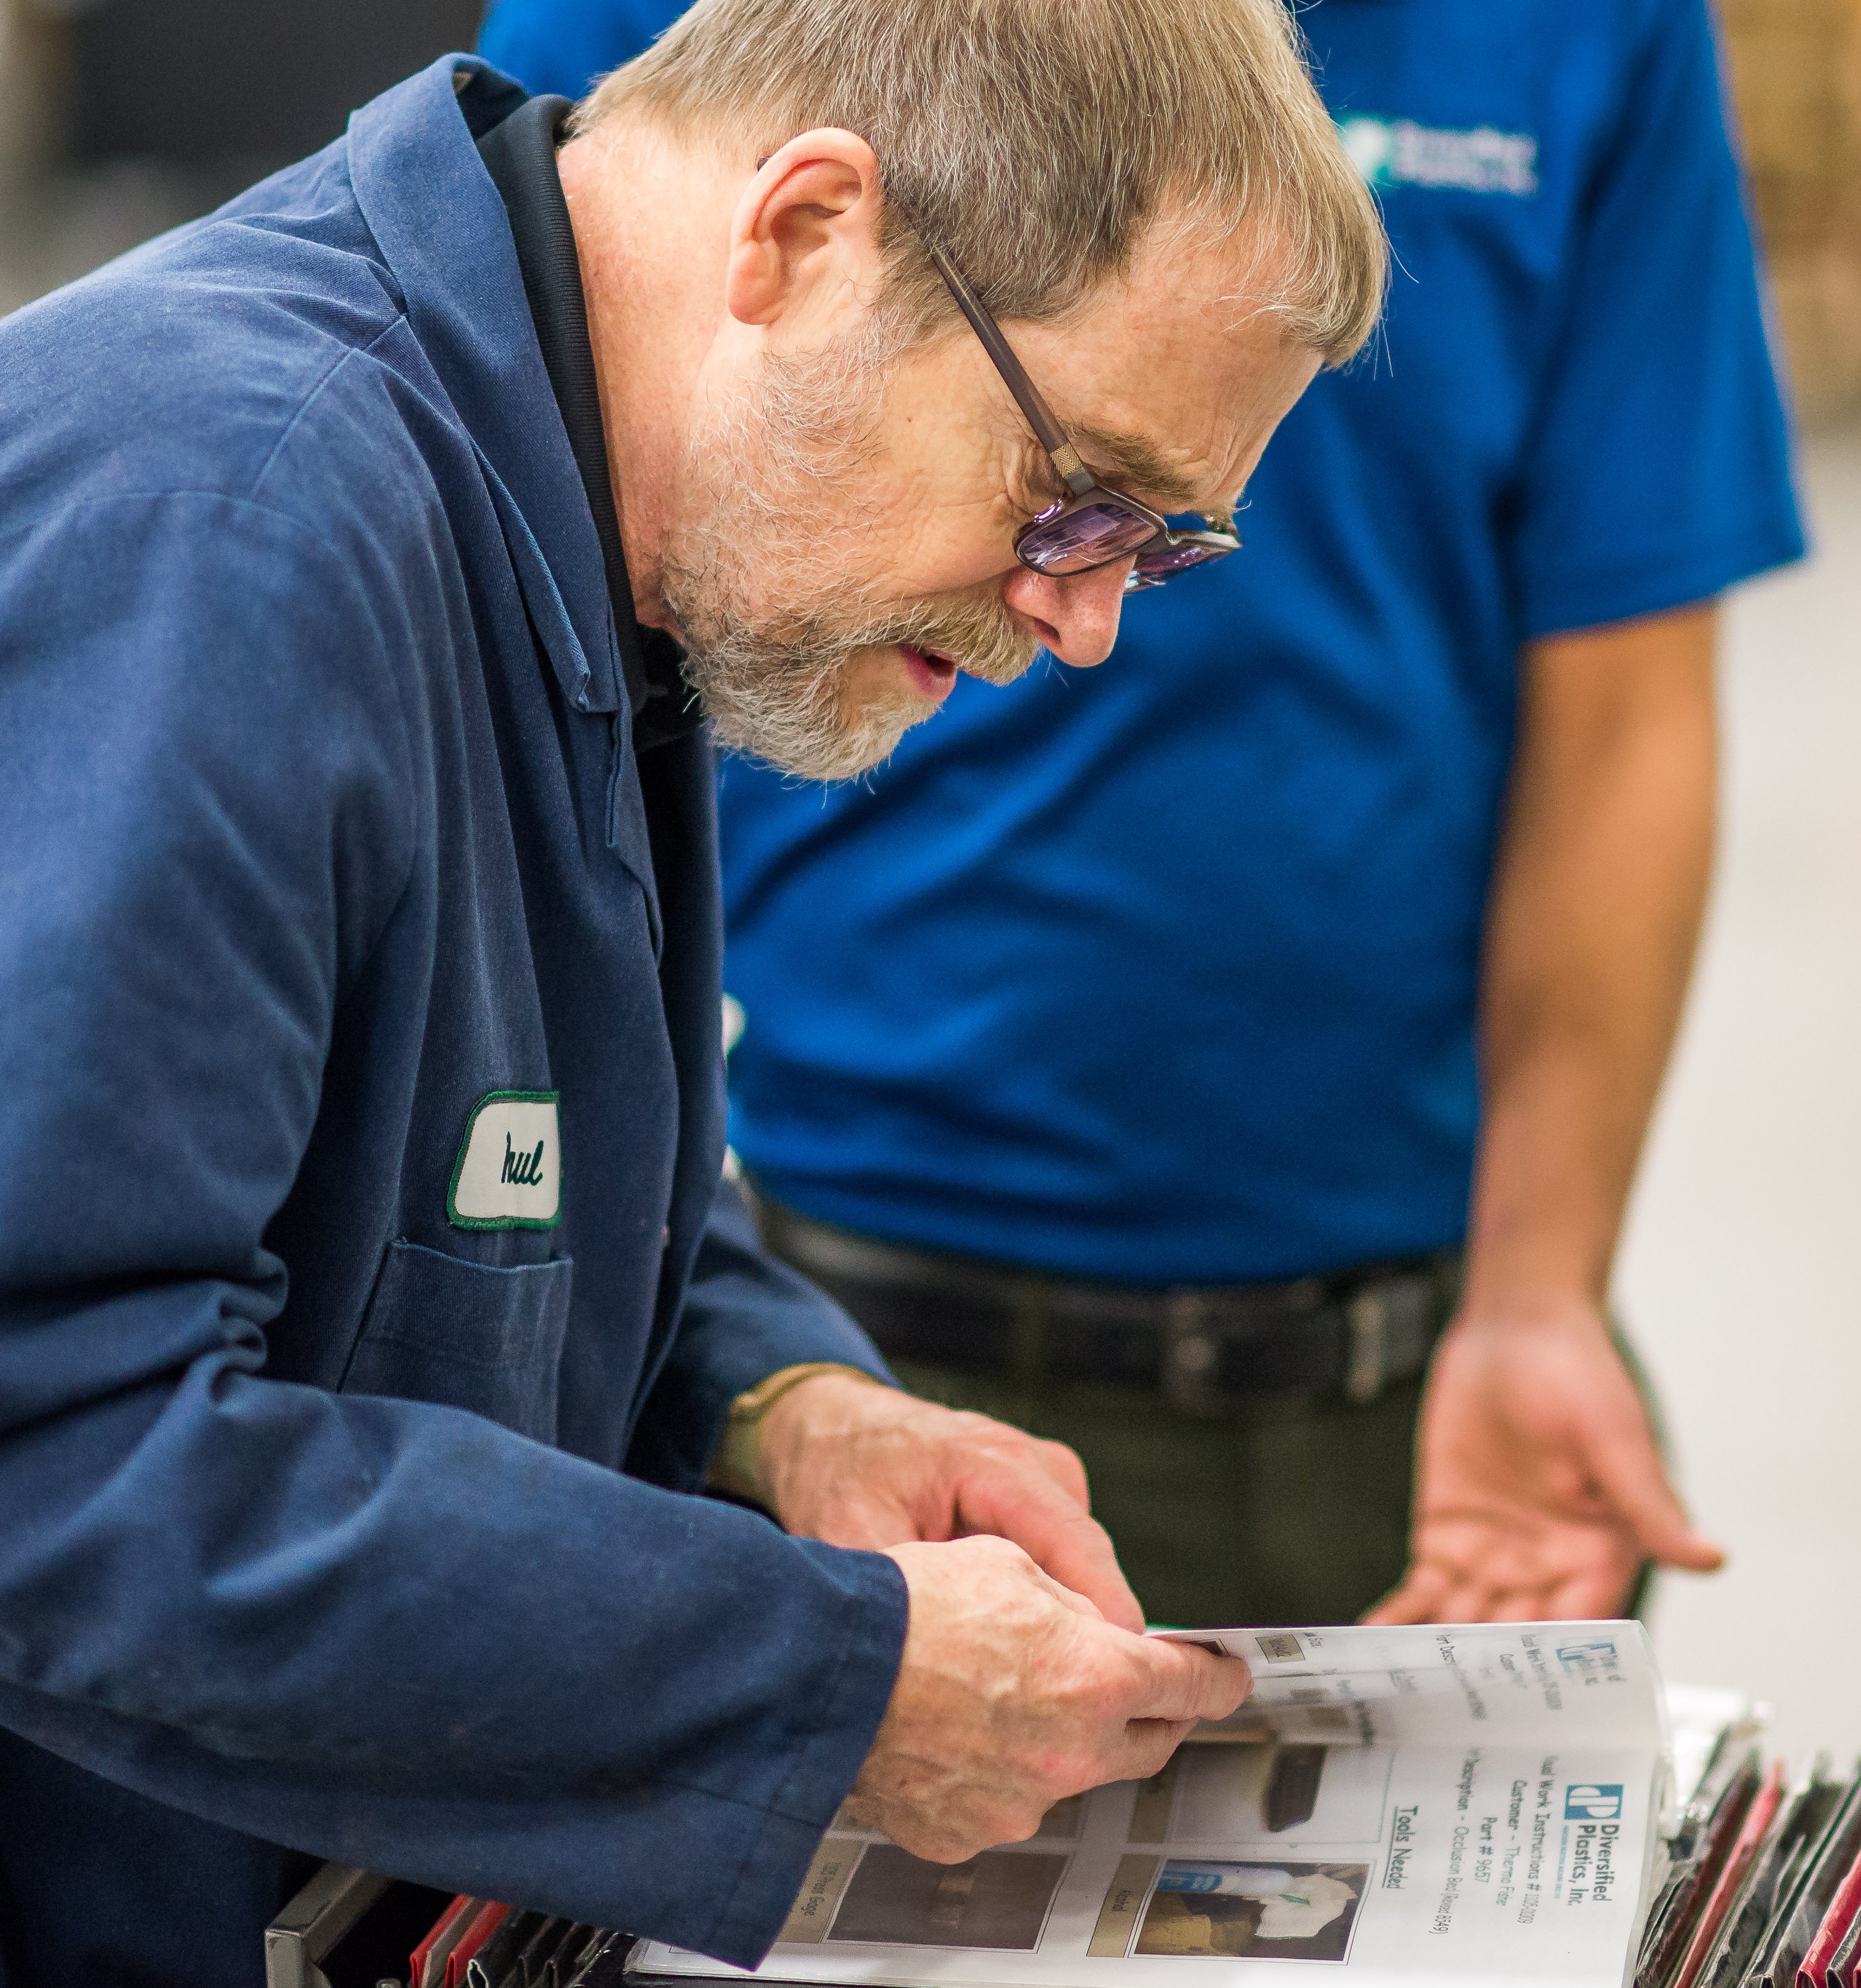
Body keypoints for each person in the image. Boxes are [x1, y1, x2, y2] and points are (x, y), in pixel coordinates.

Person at [0, 0, 1385, 1976]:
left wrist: (775, 1402)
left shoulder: (595, 507)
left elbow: (475, 1156)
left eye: (1154, 550)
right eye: (1072, 492)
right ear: (804, 235)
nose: (1078, 625)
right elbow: (51, 1445)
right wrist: (827, 1676)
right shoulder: (230, 533)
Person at [478, 0, 1807, 1631]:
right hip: (841, 1305)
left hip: (1408, 1342)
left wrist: (1541, 1293)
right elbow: (554, 527)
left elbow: (1626, 706)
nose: (1083, 623)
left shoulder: (1588, 36)